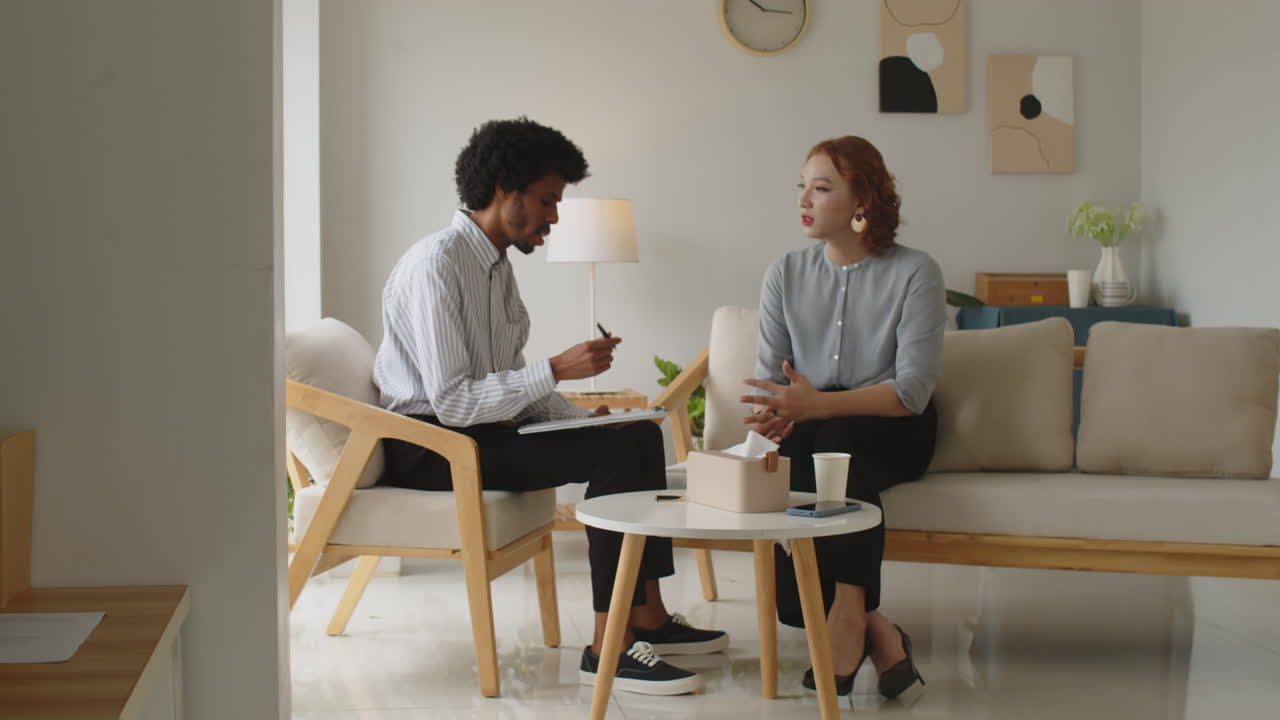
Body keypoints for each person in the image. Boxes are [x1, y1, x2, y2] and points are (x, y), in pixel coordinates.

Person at [372, 117, 725, 697]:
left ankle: (649, 621)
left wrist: (582, 420)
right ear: (503, 190)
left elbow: (512, 385)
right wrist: (559, 368)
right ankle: (604, 648)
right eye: (546, 201)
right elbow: (455, 400)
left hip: (480, 435)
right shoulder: (436, 264)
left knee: (635, 436)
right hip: (432, 445)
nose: (554, 217)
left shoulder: (496, 267)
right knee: (621, 448)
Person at [740, 135, 941, 700]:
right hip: (813, 428)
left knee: (834, 449)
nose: (804, 198)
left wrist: (811, 406)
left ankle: (849, 615)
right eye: (801, 186)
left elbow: (911, 392)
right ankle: (876, 629)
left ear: (862, 201)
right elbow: (772, 382)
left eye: (821, 187)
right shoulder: (785, 273)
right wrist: (774, 413)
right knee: (806, 452)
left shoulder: (915, 272)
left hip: (896, 426)